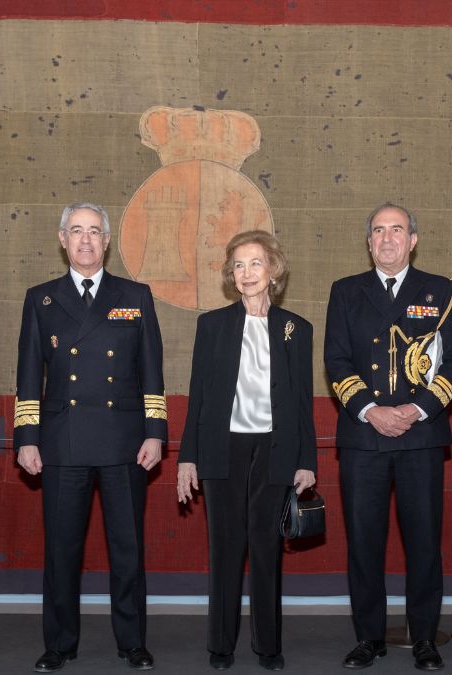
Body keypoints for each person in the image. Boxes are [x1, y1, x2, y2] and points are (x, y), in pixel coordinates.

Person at [15, 202, 167, 672]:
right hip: (62, 442)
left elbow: (151, 372)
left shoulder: (135, 295)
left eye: (94, 232)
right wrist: (26, 437)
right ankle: (58, 644)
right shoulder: (40, 298)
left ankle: (132, 642)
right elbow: (27, 376)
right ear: (62, 239)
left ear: (106, 241)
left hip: (124, 442)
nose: (85, 240)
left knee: (128, 549)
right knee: (62, 550)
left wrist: (156, 432)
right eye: (76, 231)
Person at [324, 203, 452, 671]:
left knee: (424, 542)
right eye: (379, 231)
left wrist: (414, 409)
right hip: (364, 437)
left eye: (397, 230)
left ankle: (425, 638)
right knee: (364, 542)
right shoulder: (345, 292)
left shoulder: (440, 290)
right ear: (369, 242)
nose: (388, 238)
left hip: (419, 436)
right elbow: (337, 361)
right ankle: (368, 638)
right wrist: (371, 410)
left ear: (413, 240)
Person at [176, 230, 318, 672]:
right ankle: (220, 646)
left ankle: (268, 646)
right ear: (230, 275)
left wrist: (307, 461)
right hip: (224, 450)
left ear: (272, 270)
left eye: (255, 263)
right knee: (224, 549)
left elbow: (302, 401)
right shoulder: (212, 325)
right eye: (238, 265)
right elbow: (198, 396)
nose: (246, 273)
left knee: (266, 551)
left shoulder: (297, 329)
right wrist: (187, 457)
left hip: (276, 451)